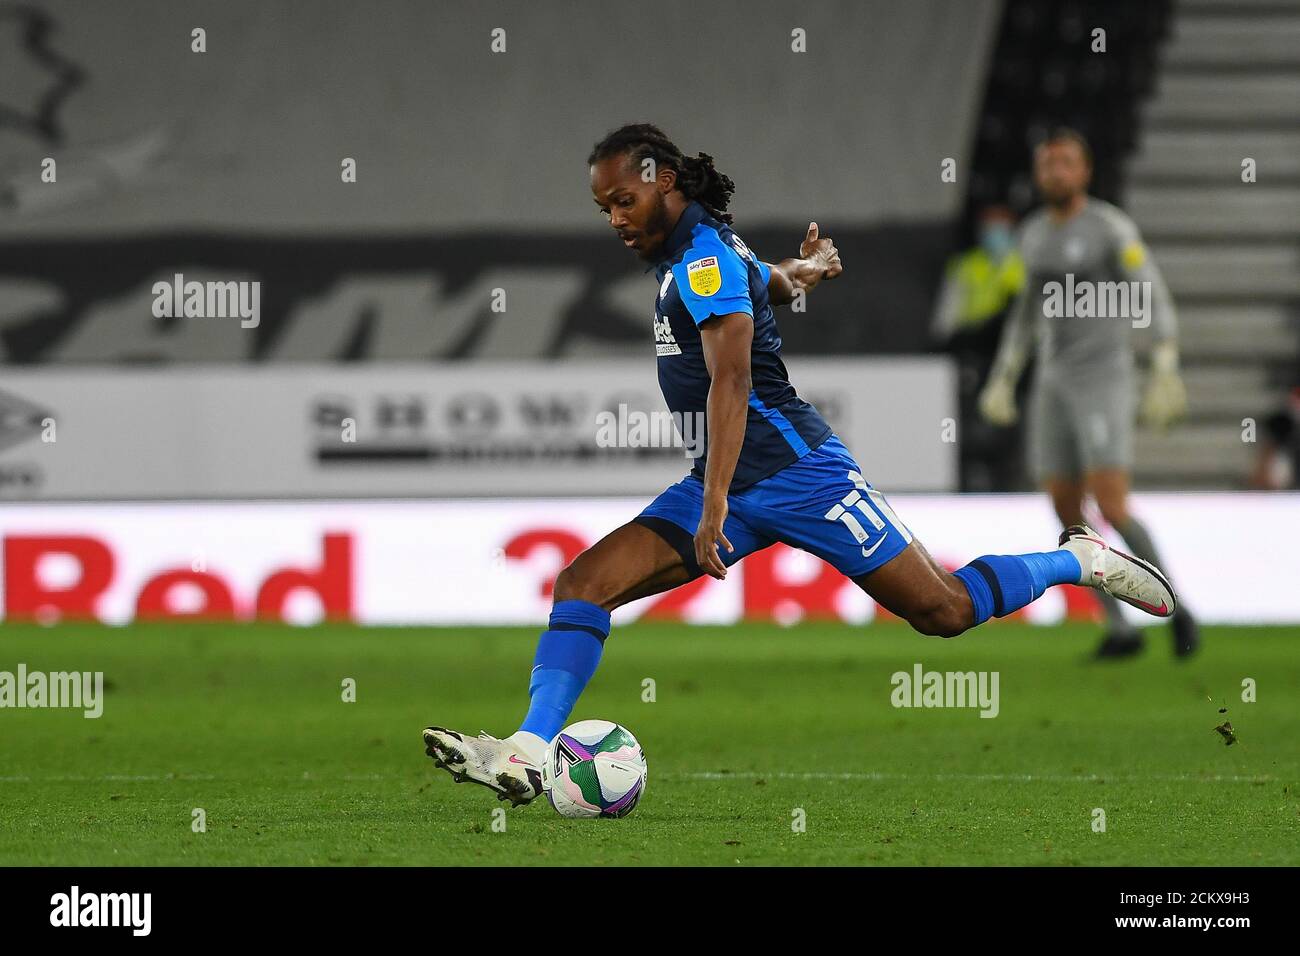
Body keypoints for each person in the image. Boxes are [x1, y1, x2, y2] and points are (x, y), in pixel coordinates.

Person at [424, 124, 1178, 805]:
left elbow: (733, 378)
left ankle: (1076, 560)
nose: (616, 219)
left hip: (800, 475)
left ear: (662, 180)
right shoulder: (708, 247)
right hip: (726, 480)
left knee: (942, 611)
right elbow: (768, 284)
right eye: (603, 209)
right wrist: (808, 270)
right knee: (582, 584)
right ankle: (527, 749)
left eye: (623, 200)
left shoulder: (704, 255)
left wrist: (713, 501)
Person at [976, 128, 1198, 659]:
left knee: (1112, 503)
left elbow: (1150, 287)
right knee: (1067, 511)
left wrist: (1165, 356)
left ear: (1085, 171)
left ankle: (1177, 607)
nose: (1055, 172)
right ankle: (1120, 629)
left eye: (1066, 163)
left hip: (1104, 379)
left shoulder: (1108, 228)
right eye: (1048, 164)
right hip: (1053, 384)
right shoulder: (1032, 235)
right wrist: (1005, 374)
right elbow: (1027, 313)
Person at [931, 204, 1028, 490]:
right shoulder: (966, 265)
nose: (995, 233)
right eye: (989, 226)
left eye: (1001, 226)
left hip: (1015, 359)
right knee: (972, 424)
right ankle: (975, 480)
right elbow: (946, 318)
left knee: (1012, 424)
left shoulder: (1024, 263)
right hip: (975, 354)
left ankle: (1011, 480)